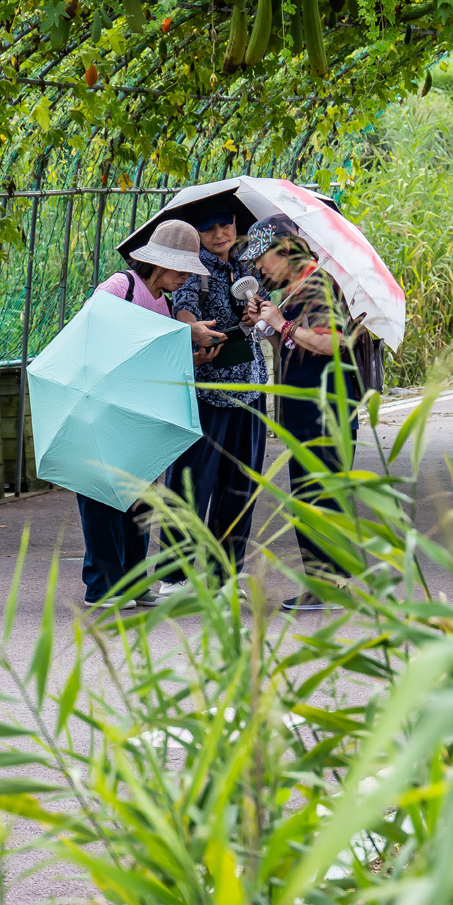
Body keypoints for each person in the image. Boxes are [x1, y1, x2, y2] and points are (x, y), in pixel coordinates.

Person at [80, 219, 226, 609]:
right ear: (157, 264)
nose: (183, 280)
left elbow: (156, 358)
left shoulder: (163, 301)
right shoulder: (120, 287)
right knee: (102, 497)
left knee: (140, 499)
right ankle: (101, 587)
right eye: (180, 271)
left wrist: (194, 357)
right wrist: (182, 336)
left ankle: (132, 583)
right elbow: (94, 333)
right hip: (108, 409)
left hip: (141, 414)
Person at [235, 214, 364, 612]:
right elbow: (292, 350)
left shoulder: (317, 285)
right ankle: (323, 584)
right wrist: (269, 327)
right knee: (308, 495)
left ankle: (332, 587)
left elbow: (335, 343)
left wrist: (283, 325)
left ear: (285, 249)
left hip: (325, 408)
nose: (258, 268)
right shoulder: (294, 289)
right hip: (305, 408)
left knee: (321, 495)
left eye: (263, 259)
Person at [162, 207, 269, 586]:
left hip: (251, 387)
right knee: (192, 481)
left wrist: (258, 317)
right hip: (208, 391)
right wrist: (195, 331)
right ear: (198, 234)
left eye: (225, 225)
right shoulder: (194, 269)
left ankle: (225, 573)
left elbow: (268, 320)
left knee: (241, 484)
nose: (220, 234)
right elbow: (183, 311)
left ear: (236, 226)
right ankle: (175, 576)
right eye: (209, 229)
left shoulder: (249, 266)